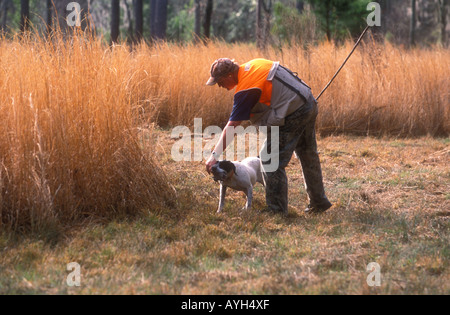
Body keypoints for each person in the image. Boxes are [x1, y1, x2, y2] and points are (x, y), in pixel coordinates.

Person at [205, 58, 332, 215]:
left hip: (294, 112)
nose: (219, 85)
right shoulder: (255, 65)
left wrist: (214, 156)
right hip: (308, 102)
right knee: (308, 154)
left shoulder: (246, 88)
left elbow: (231, 127)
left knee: (269, 160)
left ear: (230, 75)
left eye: (220, 81)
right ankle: (318, 202)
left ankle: (276, 210)